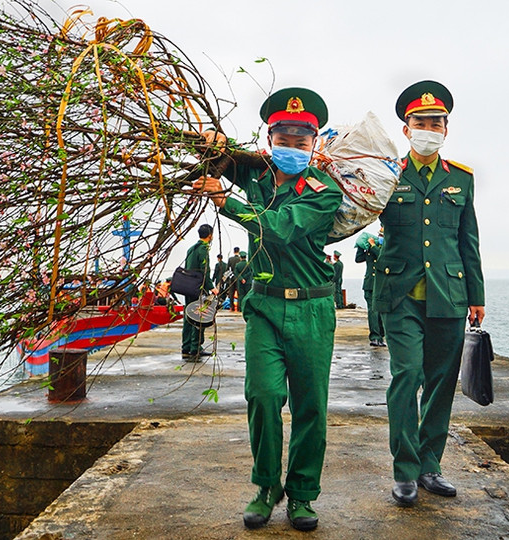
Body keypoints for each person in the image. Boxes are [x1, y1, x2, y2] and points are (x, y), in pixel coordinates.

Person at [194, 87, 342, 531]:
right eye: (285, 139)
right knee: (262, 396)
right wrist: (207, 142)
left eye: (302, 141)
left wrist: (227, 202)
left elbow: (279, 228)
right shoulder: (256, 173)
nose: (293, 148)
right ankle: (265, 486)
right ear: (270, 138)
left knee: (310, 406)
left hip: (313, 310)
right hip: (263, 308)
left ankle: (301, 494)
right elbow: (211, 152)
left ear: (314, 144)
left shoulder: (323, 190)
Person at [374, 80, 485, 507]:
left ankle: (429, 465)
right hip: (400, 295)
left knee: (440, 383)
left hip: (450, 296)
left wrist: (477, 295)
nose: (429, 127)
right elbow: (357, 208)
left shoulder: (461, 179)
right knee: (407, 377)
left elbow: (468, 240)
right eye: (421, 121)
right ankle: (404, 470)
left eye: (436, 122)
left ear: (446, 128)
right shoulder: (386, 175)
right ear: (406, 128)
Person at [181, 224, 219, 362]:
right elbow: (205, 270)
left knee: (188, 316)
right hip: (198, 287)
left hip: (188, 286)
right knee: (198, 317)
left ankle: (186, 347)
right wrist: (211, 287)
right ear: (210, 235)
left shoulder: (191, 249)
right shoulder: (203, 249)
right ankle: (195, 347)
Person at [355, 229, 386, 346]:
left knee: (380, 311)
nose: (379, 237)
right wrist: (360, 246)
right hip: (369, 284)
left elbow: (382, 258)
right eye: (379, 235)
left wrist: (373, 245)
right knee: (372, 311)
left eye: (381, 235)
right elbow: (358, 259)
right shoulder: (370, 248)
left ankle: (381, 335)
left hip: (381, 284)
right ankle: (375, 337)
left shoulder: (384, 248)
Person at [227, 247, 241, 311]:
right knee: (239, 293)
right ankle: (238, 307)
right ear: (239, 251)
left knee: (231, 293)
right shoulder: (240, 259)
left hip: (232, 277)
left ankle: (231, 307)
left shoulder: (230, 259)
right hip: (239, 278)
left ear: (233, 251)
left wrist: (230, 276)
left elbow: (227, 269)